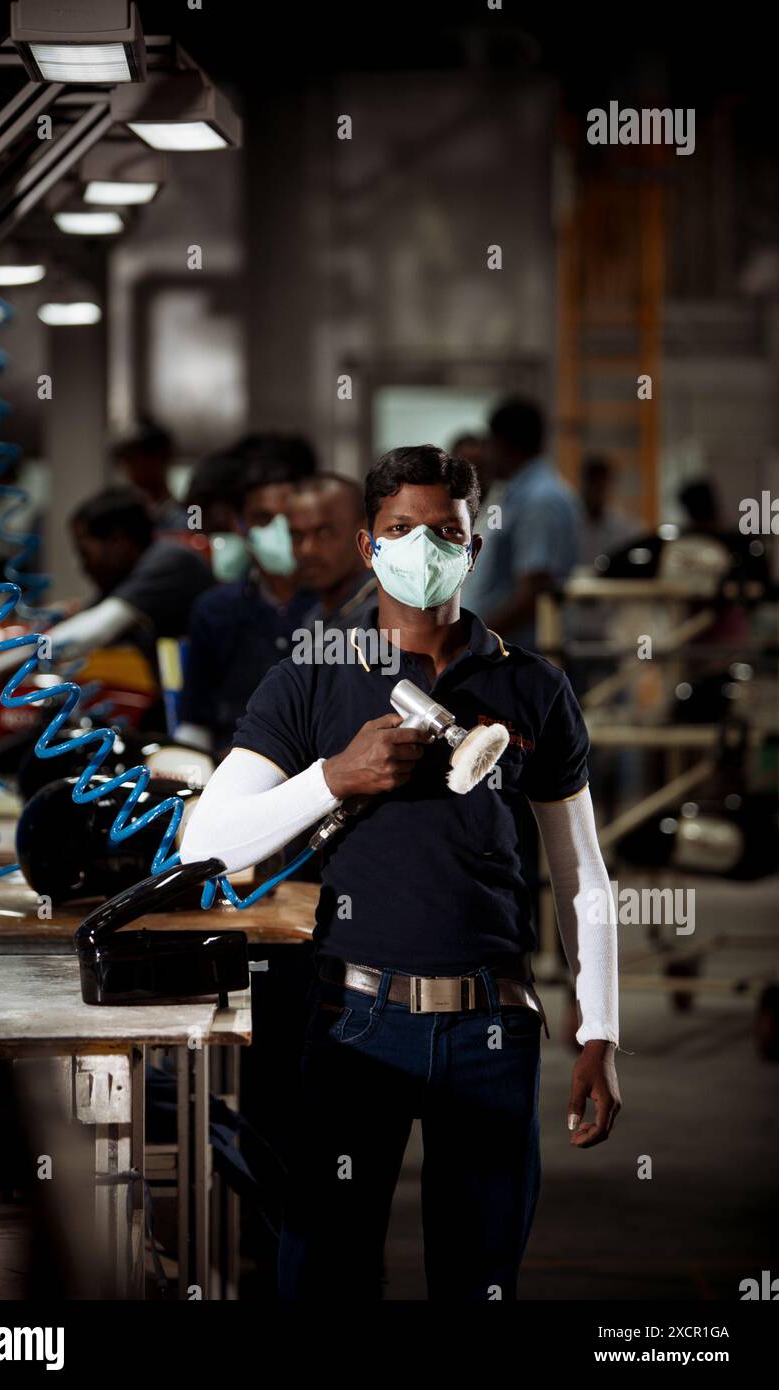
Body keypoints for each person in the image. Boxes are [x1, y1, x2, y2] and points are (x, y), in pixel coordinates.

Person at [180, 442, 621, 1302]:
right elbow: (209, 844)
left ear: (474, 547)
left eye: (444, 531)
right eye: (401, 528)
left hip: (491, 1030)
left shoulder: (531, 689)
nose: (423, 548)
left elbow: (583, 878)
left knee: (478, 1280)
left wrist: (599, 1028)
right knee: (325, 1274)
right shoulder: (313, 676)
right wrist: (333, 778)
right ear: (369, 544)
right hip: (355, 1024)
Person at [0, 486, 213, 691]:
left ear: (117, 541)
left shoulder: (169, 561)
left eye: (85, 554)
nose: (83, 567)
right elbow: (76, 626)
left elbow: (88, 633)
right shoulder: (133, 574)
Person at [175, 448, 316, 756]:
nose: (278, 531)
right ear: (240, 525)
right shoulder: (215, 610)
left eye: (288, 518)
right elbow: (195, 722)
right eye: (263, 519)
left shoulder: (341, 607)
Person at [462, 397, 583, 650]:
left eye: (489, 444)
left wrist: (473, 639)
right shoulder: (516, 493)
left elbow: (534, 591)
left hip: (518, 654)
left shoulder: (540, 499)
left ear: (503, 444)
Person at [286, 473, 376, 630]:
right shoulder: (316, 616)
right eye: (297, 536)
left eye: (324, 533)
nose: (307, 549)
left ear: (365, 534)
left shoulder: (381, 617)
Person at [111, 417, 185, 531]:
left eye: (133, 459)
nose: (126, 468)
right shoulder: (121, 514)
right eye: (124, 461)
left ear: (159, 458)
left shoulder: (188, 515)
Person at [580, 454, 638, 569]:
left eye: (602, 486)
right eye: (594, 484)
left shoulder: (622, 528)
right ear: (585, 484)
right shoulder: (572, 525)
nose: (597, 492)